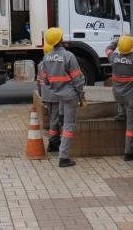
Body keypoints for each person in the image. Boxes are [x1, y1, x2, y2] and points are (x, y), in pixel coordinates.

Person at [36, 27, 86, 167]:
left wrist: (56, 86)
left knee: (63, 122)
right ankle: (64, 157)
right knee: (69, 125)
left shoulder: (46, 58)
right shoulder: (69, 56)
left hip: (57, 95)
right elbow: (78, 79)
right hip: (70, 96)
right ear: (61, 39)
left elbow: (45, 81)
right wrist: (82, 97)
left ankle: (60, 147)